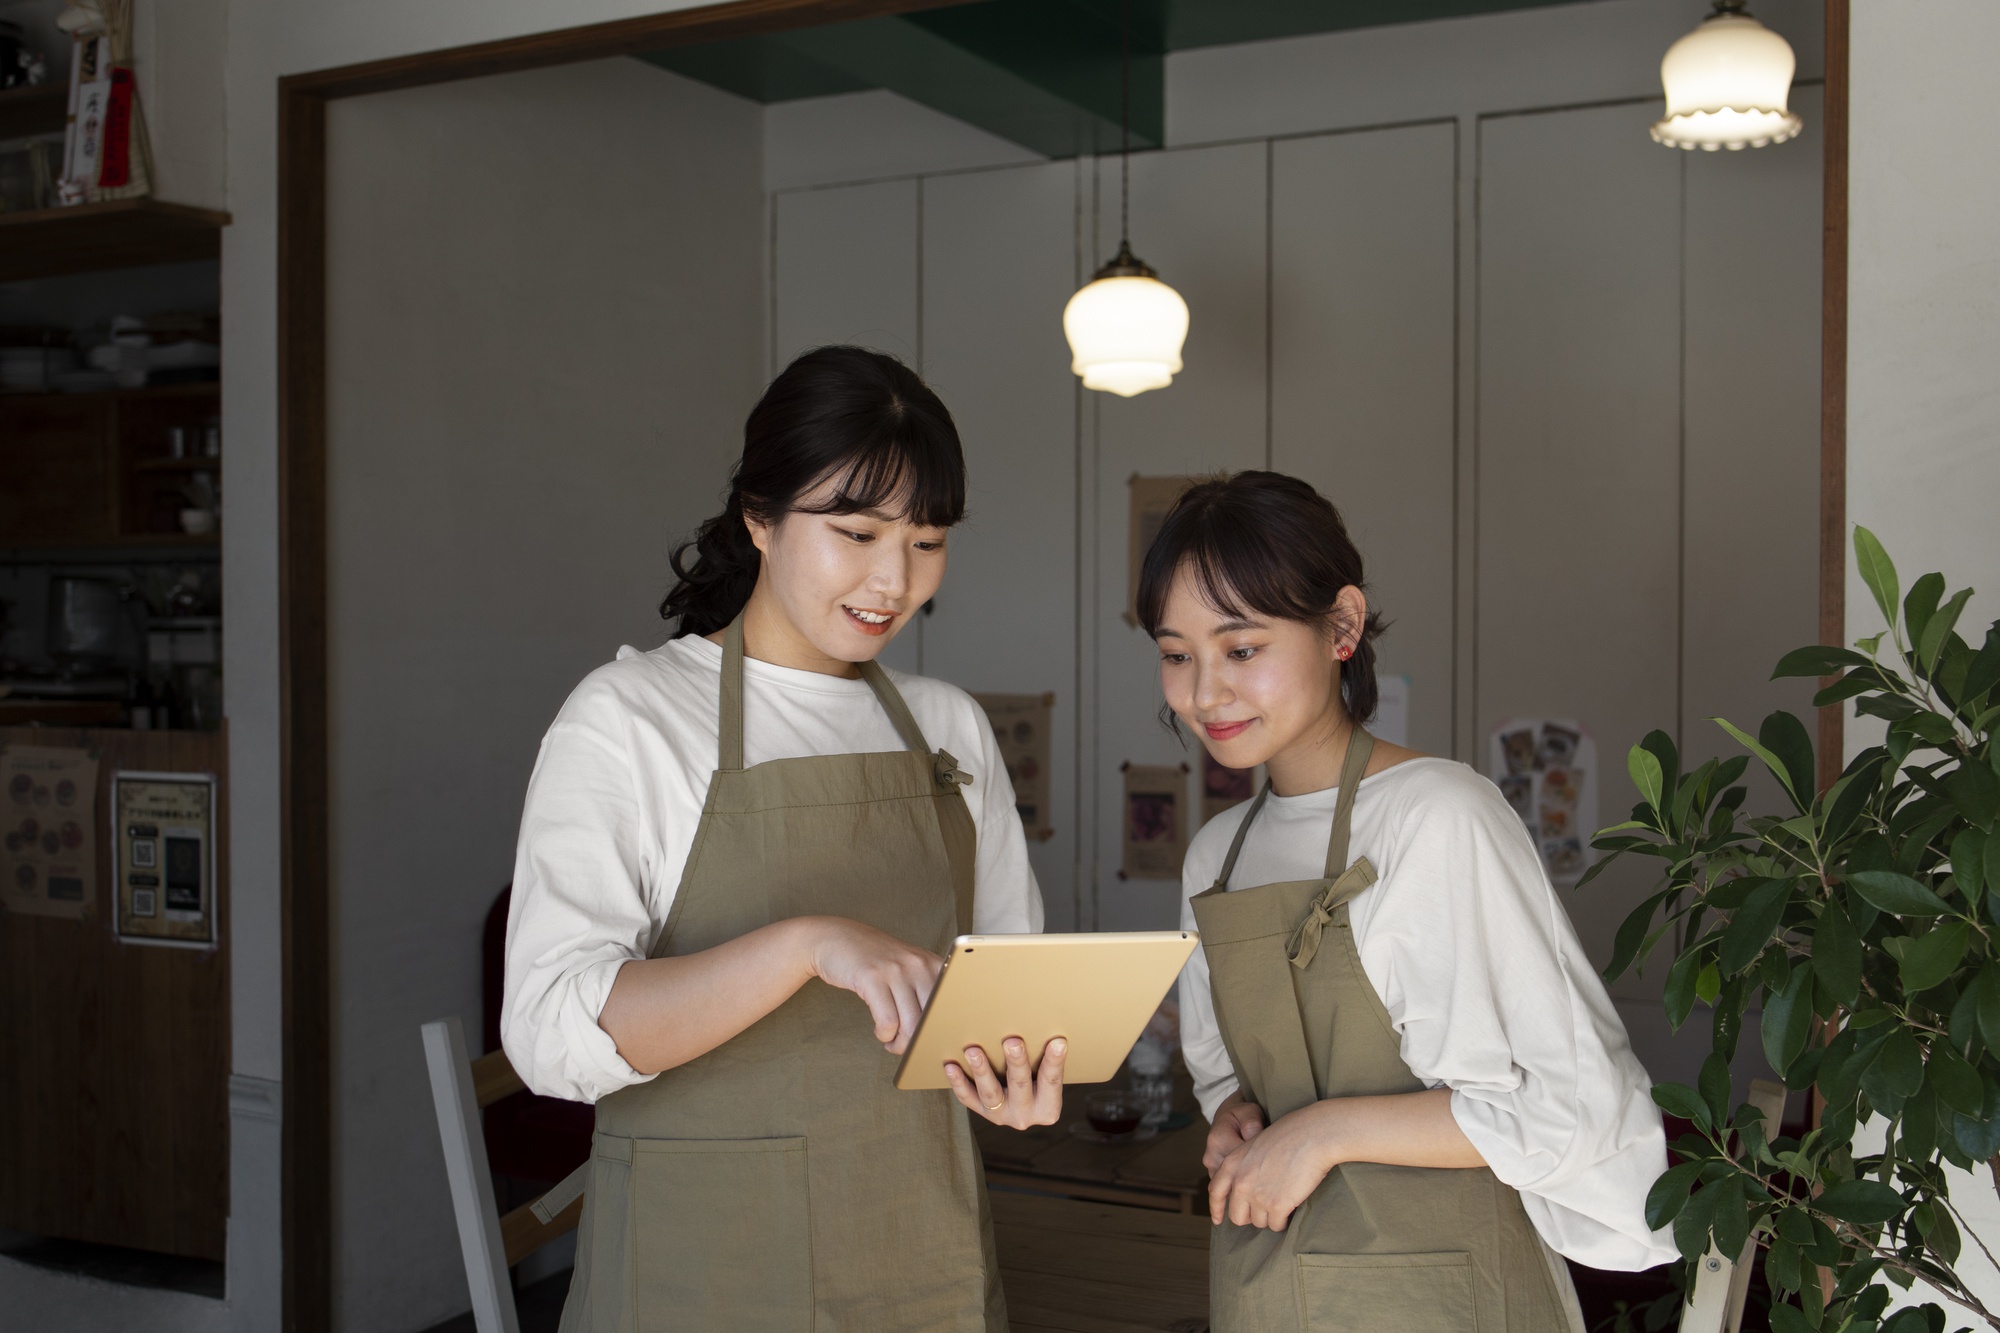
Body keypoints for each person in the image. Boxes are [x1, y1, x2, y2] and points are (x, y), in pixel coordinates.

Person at [502, 346, 1065, 1332]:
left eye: (927, 540)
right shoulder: (628, 717)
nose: (895, 579)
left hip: (917, 1247)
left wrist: (1015, 1072)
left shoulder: (946, 725)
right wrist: (806, 944)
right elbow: (550, 1033)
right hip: (703, 1266)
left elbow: (1002, 981)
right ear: (759, 517)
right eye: (855, 532)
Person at [1138, 472, 1676, 1332]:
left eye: (1241, 649)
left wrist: (1318, 1133)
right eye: (1176, 654)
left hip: (1451, 1295)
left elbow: (1565, 1105)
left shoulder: (1439, 814)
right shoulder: (1217, 853)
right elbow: (1227, 1077)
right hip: (1270, 1293)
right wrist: (1239, 1119)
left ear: (1341, 625)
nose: (1205, 692)